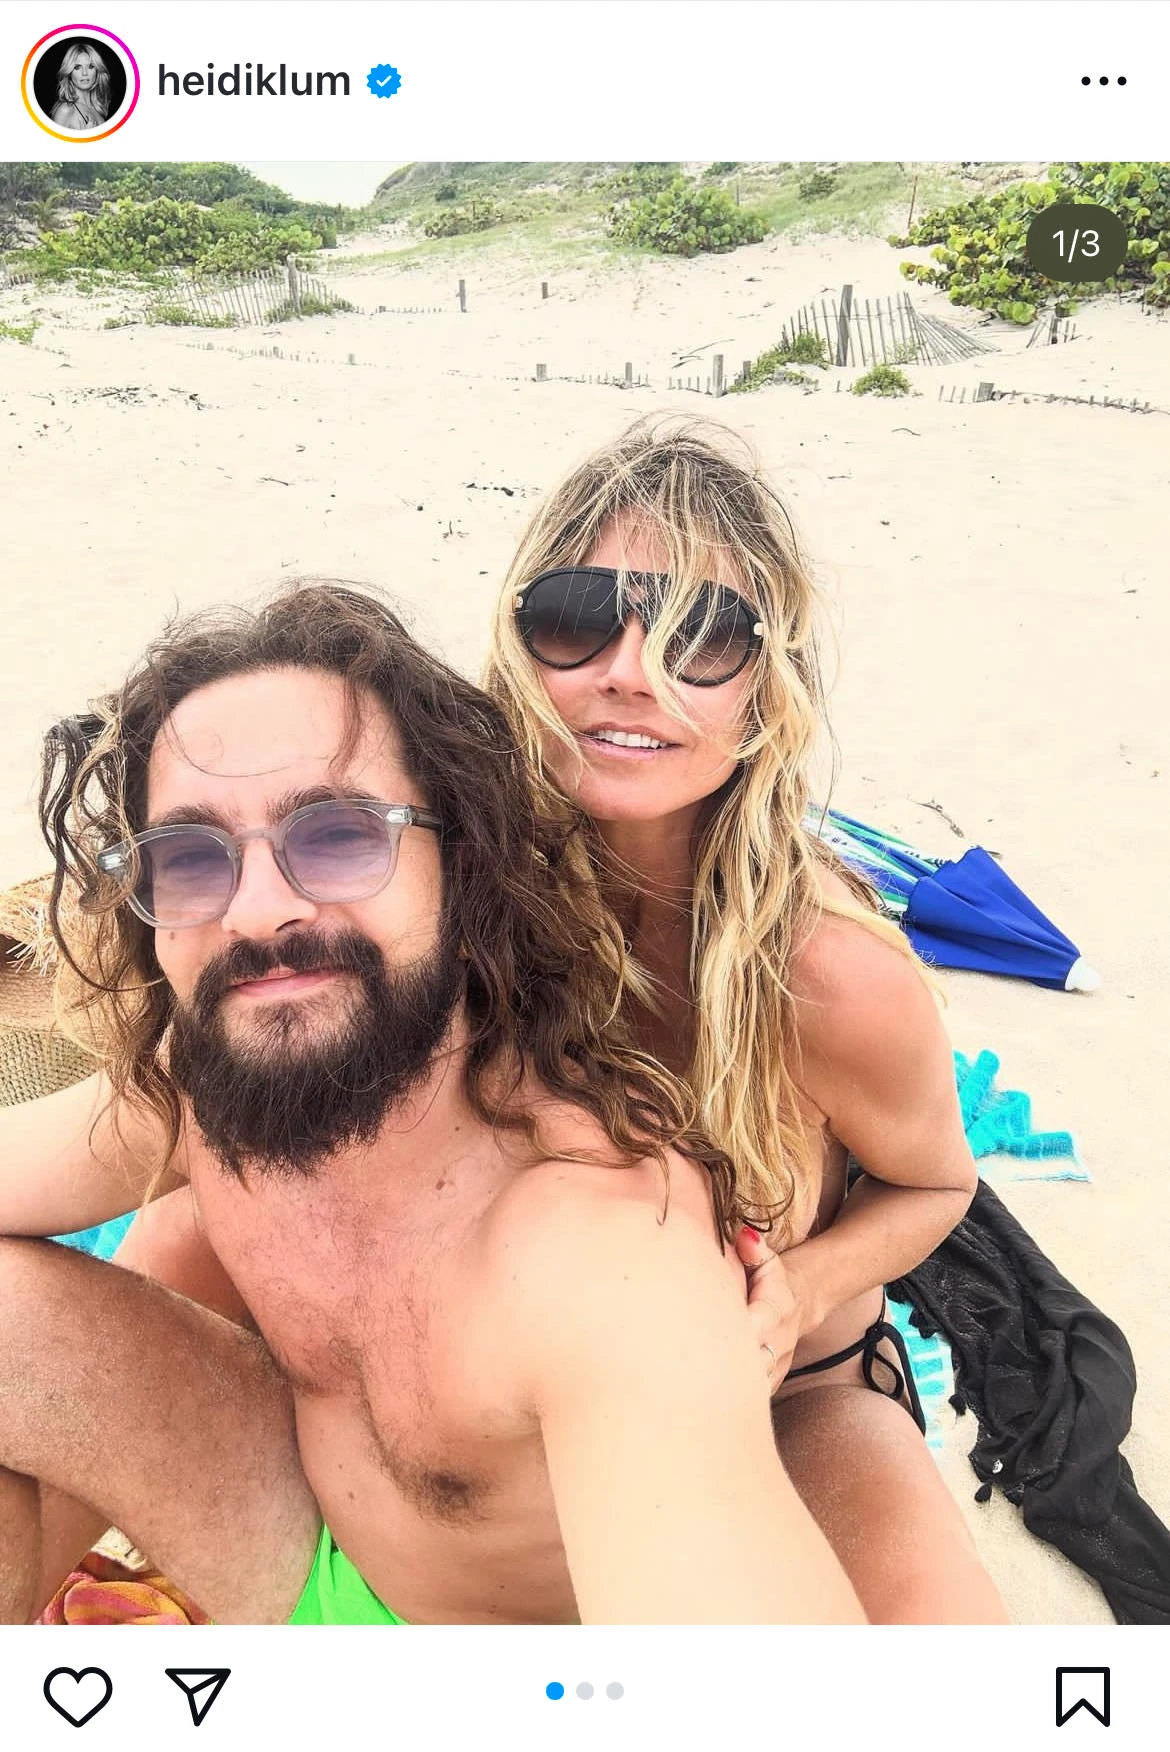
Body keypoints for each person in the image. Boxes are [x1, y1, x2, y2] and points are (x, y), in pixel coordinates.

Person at [0, 581, 864, 1626]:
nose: (258, 912)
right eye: (188, 859)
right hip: (300, 1530)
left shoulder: (602, 1254)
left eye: (337, 836)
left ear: (463, 867)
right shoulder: (225, 1075)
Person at [481, 416, 1008, 1623]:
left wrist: (798, 1293)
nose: (631, 670)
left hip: (800, 1390)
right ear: (519, 646)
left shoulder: (830, 973)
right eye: (576, 615)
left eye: (702, 636)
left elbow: (936, 1185)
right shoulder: (463, 915)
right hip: (543, 1407)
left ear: (768, 696)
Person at [50, 41, 112, 131]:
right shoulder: (65, 110)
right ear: (69, 73)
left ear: (97, 71)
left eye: (91, 66)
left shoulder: (98, 108)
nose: (84, 73)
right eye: (77, 67)